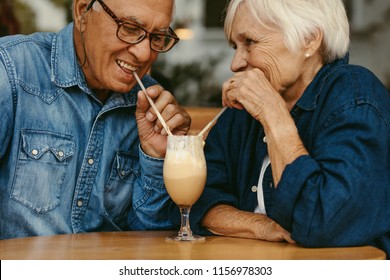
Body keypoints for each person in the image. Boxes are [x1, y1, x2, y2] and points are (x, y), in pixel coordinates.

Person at [181, 0, 390, 257]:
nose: (235, 64)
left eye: (250, 42)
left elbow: (324, 222)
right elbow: (195, 202)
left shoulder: (354, 94)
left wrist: (273, 114)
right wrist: (263, 227)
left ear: (309, 40)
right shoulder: (242, 111)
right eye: (236, 46)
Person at [0, 0, 190, 239]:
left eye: (158, 37)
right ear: (82, 13)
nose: (144, 54)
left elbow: (150, 238)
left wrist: (157, 157)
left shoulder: (151, 106)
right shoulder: (10, 71)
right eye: (130, 28)